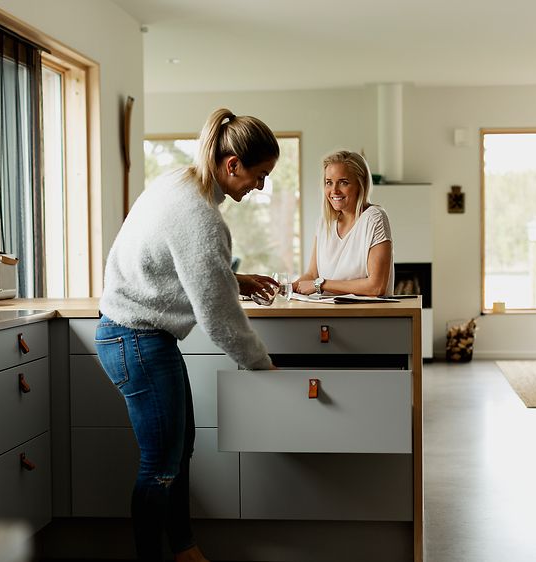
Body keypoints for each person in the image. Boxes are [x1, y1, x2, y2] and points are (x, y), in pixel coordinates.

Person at [95, 108, 279, 562]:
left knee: (177, 455)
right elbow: (218, 318)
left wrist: (234, 279)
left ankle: (184, 550)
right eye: (259, 176)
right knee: (160, 466)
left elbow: (181, 268)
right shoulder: (199, 215)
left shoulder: (179, 181)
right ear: (232, 164)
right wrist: (263, 367)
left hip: (135, 335)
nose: (260, 187)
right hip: (136, 338)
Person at [293, 150, 394, 297]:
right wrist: (286, 288)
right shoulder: (323, 223)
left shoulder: (374, 218)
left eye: (343, 182)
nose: (334, 190)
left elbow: (376, 287)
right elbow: (312, 274)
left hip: (368, 318)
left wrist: (320, 285)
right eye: (329, 182)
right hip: (330, 315)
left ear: (361, 184)